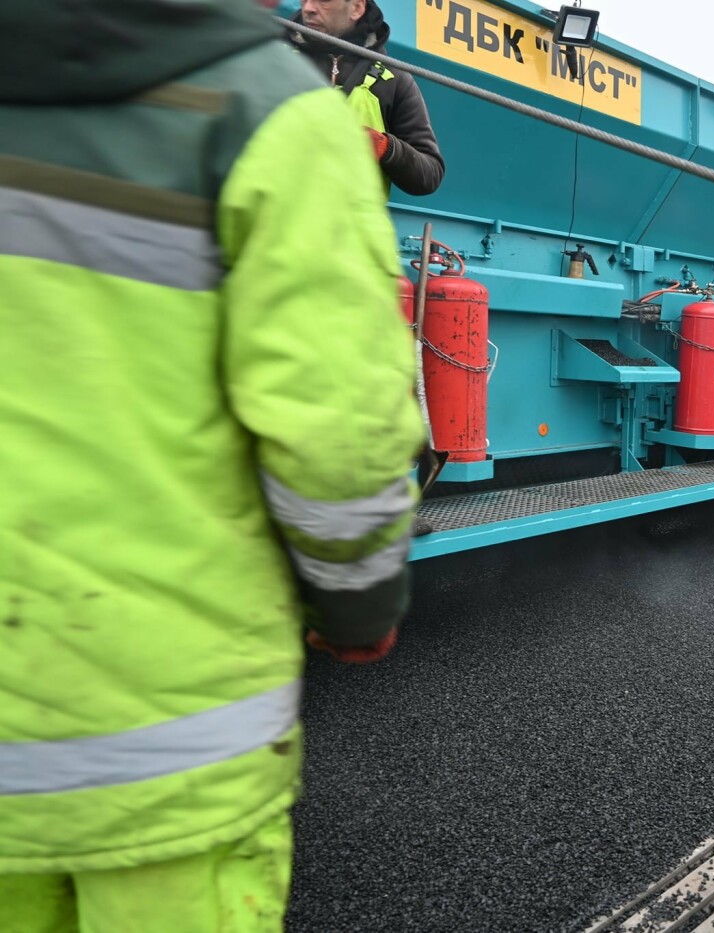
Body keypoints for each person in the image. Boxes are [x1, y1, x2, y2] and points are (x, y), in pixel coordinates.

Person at [0, 1, 425, 929]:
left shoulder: (381, 84)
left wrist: (384, 155)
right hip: (166, 755)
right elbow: (337, 425)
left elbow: (428, 168)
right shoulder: (271, 106)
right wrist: (356, 603)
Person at [291, 0, 445, 196]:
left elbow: (430, 174)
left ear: (356, 8)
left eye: (324, 0)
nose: (308, 8)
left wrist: (385, 147)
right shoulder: (276, 60)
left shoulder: (392, 79)